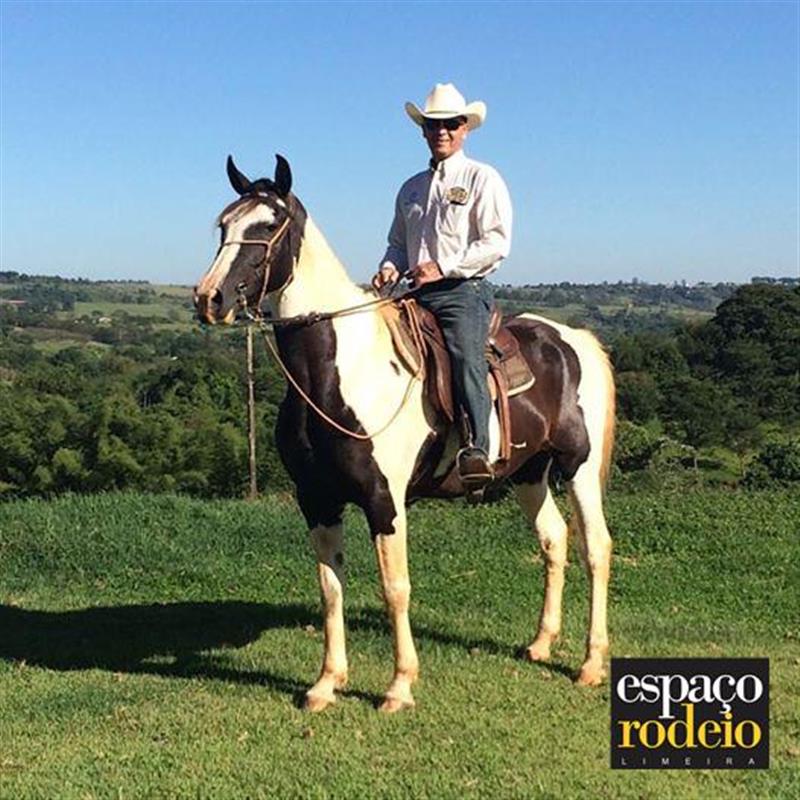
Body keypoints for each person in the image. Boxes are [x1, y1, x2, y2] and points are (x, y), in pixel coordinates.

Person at [372, 82, 513, 491]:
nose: (442, 132)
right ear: (423, 130)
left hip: (462, 292)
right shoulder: (411, 188)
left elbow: (496, 242)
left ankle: (477, 448)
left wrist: (443, 267)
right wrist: (389, 267)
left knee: (465, 355)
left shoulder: (482, 178)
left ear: (465, 127)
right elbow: (399, 244)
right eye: (434, 125)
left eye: (451, 124)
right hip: (414, 293)